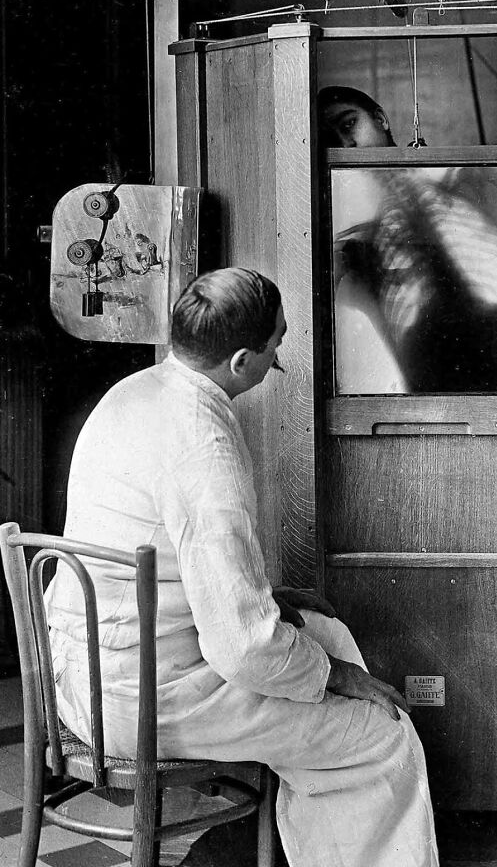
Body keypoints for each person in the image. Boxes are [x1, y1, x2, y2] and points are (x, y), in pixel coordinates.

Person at [44, 267, 440, 867]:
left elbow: (174, 567)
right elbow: (243, 649)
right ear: (239, 363)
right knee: (380, 736)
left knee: (321, 629)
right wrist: (338, 678)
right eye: (276, 344)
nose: (280, 352)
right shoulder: (205, 446)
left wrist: (276, 604)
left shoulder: (135, 392)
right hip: (146, 699)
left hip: (83, 676)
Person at [318, 85, 497, 396]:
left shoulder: (464, 178)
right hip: (430, 361)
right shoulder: (355, 231)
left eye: (349, 124)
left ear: (381, 119)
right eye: (333, 140)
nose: (347, 143)